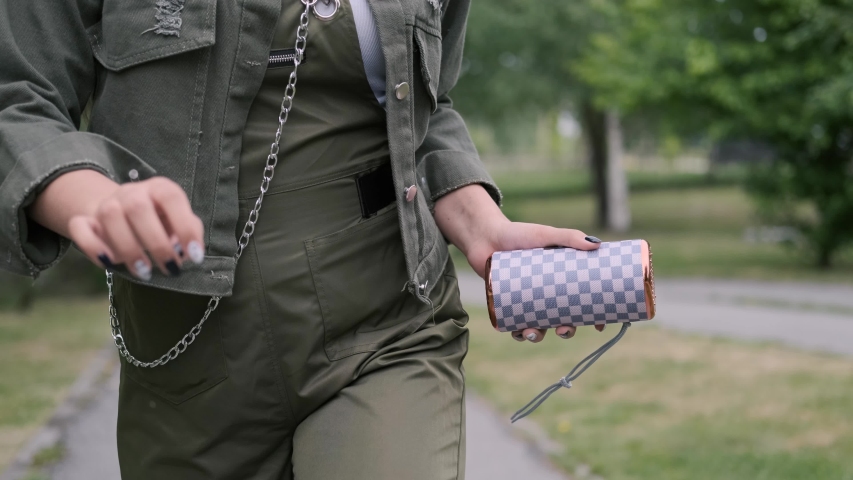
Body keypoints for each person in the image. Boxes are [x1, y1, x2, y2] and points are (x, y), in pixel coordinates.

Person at [0, 0, 603, 478]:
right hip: (187, 353)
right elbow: (17, 98)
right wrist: (98, 198)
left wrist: (483, 227)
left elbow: (427, 105)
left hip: (388, 322)